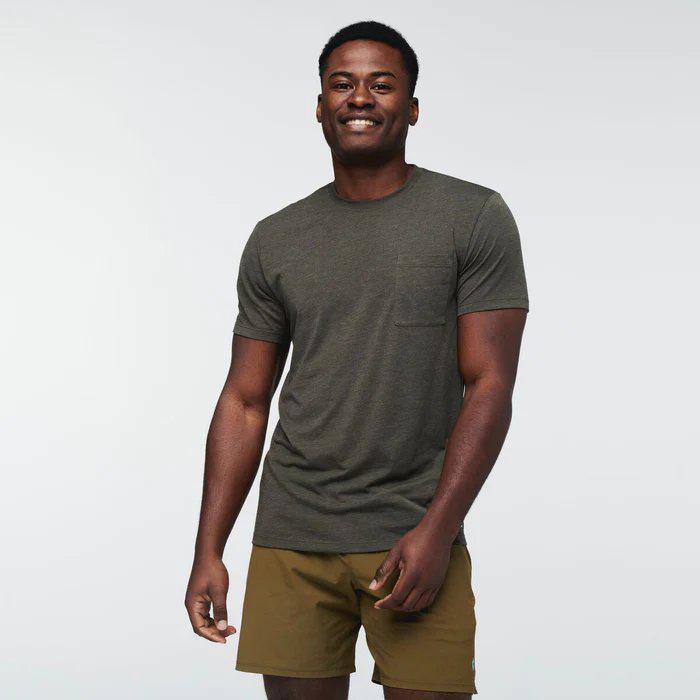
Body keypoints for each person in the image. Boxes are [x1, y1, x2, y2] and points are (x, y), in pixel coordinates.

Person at [185, 20, 529, 700]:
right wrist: (208, 550)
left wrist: (439, 530)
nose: (360, 98)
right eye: (342, 84)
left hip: (413, 534)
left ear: (413, 108)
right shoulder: (276, 238)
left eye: (382, 84)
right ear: (320, 106)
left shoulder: (473, 217)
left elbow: (490, 385)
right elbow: (245, 400)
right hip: (292, 534)